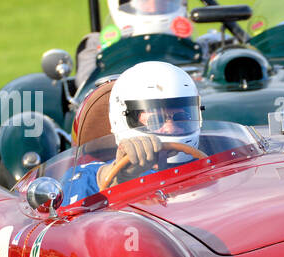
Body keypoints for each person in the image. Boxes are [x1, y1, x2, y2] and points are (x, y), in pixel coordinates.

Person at [63, 61, 203, 204]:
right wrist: (118, 178)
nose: (171, 128)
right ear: (122, 118)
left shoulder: (213, 160)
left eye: (181, 118)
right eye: (156, 120)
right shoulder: (86, 178)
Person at [73, 0, 193, 90]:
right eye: (145, 1)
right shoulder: (96, 46)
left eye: (163, 0)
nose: (153, 6)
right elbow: (86, 92)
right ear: (119, 1)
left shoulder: (195, 46)